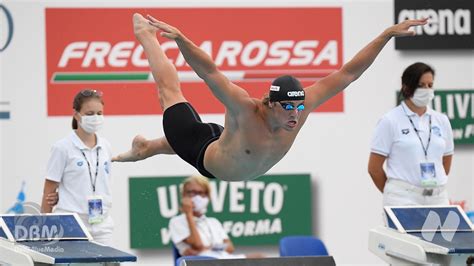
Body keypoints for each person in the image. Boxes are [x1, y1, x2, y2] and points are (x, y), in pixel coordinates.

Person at [113, 13, 428, 182]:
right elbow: (209, 72)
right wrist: (181, 40)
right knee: (170, 93)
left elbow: (347, 73)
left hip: (226, 143)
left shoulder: (301, 109)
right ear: (271, 104)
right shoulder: (245, 109)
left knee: (214, 135)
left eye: (299, 105)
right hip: (203, 154)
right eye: (289, 106)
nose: (296, 112)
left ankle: (147, 146)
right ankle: (146, 36)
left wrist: (384, 35)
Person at [368, 62, 454, 206]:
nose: (426, 89)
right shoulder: (390, 120)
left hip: (438, 197)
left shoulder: (442, 120)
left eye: (430, 85)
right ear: (406, 87)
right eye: (421, 85)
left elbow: (446, 162)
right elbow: (374, 168)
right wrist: (394, 194)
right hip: (403, 198)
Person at [41, 89, 114, 245]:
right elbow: (48, 191)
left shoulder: (106, 146)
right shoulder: (62, 147)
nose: (95, 117)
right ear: (76, 115)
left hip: (102, 226)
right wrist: (43, 231)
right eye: (89, 113)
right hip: (70, 224)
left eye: (99, 113)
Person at [169, 175, 264, 259]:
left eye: (201, 193)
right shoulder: (177, 222)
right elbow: (198, 245)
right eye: (192, 192)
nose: (197, 197)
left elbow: (230, 248)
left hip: (223, 259)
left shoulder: (213, 222)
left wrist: (207, 247)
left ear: (207, 196)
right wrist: (189, 214)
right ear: (184, 195)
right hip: (202, 262)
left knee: (259, 257)